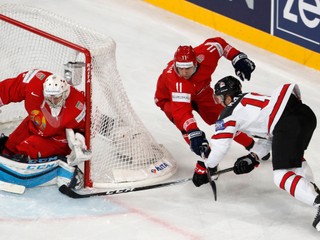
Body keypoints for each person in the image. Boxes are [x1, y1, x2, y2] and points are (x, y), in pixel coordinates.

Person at [192, 75, 320, 231]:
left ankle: (317, 201)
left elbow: (220, 146)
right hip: (304, 115)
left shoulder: (229, 113)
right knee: (292, 159)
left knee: (281, 175)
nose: (220, 102)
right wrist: (253, 157)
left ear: (228, 96)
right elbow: (272, 135)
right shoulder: (250, 99)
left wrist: (208, 166)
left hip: (286, 122)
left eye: (220, 97)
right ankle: (312, 190)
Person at [154, 37, 257, 158]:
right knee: (188, 131)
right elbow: (182, 112)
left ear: (196, 63)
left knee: (223, 119)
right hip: (170, 99)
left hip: (201, 91)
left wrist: (237, 57)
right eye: (180, 68)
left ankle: (251, 144)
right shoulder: (177, 81)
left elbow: (219, 44)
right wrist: (193, 131)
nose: (184, 72)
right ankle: (208, 160)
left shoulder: (206, 56)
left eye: (188, 68)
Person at [0, 69, 91, 190]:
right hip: (33, 126)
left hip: (56, 138)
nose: (52, 101)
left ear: (64, 94)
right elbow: (9, 88)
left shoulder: (77, 104)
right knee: (9, 147)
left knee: (26, 150)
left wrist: (79, 142)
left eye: (57, 98)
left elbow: (87, 127)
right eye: (49, 97)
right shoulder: (34, 82)